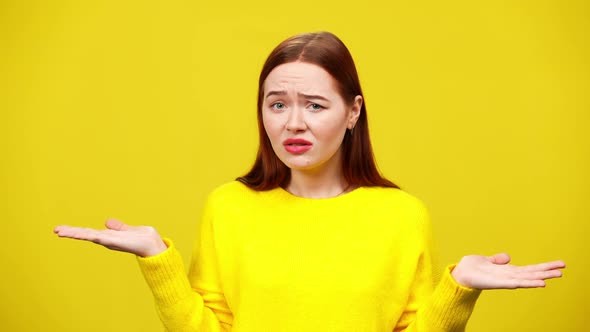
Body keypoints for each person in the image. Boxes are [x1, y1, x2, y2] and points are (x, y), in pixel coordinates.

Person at [54, 31, 565, 332]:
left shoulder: (402, 215)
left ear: (352, 112)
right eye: (277, 104)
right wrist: (156, 260)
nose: (292, 123)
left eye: (315, 105)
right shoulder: (228, 206)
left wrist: (458, 290)